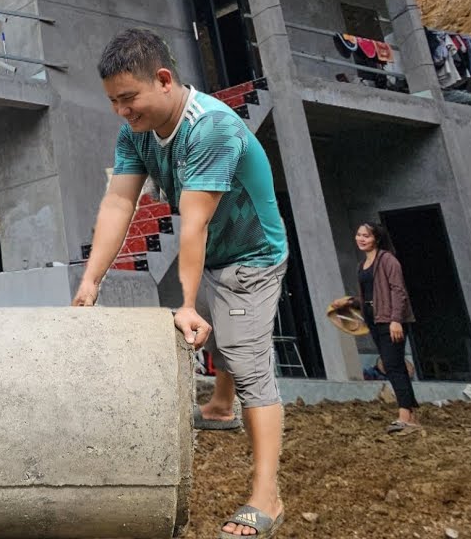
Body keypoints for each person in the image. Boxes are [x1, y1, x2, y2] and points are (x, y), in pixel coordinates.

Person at [73, 29, 289, 538]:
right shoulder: (136, 131)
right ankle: (219, 406)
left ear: (164, 80)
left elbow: (193, 224)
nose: (122, 112)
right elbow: (119, 203)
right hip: (215, 252)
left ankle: (268, 497)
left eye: (129, 99)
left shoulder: (210, 127)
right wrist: (90, 280)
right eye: (113, 102)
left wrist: (186, 303)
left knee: (245, 352)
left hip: (253, 254)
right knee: (223, 322)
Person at [331, 222, 419, 432]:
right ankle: (411, 415)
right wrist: (350, 302)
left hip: (391, 321)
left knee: (394, 366)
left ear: (377, 239)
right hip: (374, 320)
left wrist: (396, 320)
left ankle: (405, 416)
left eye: (366, 236)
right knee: (393, 365)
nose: (361, 239)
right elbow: (370, 298)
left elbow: (399, 291)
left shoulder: (388, 260)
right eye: (359, 235)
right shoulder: (362, 265)